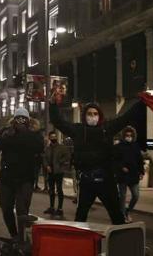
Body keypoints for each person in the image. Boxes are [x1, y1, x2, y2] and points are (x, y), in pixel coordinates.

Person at [50, 93, 145, 225]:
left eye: (95, 113)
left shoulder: (107, 128)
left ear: (100, 115)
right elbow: (58, 122)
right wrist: (53, 105)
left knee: (117, 216)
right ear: (85, 116)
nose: (92, 116)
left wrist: (142, 102)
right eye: (90, 113)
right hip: (87, 180)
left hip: (107, 180)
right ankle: (79, 243)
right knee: (81, 216)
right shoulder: (78, 130)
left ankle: (120, 243)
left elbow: (126, 118)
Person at [0, 107, 44, 241]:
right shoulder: (6, 132)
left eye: (23, 119)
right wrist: (4, 136)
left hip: (25, 178)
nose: (20, 121)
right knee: (6, 207)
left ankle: (22, 238)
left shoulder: (34, 133)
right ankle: (14, 235)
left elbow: (39, 147)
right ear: (13, 120)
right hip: (7, 177)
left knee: (22, 210)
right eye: (18, 118)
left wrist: (26, 134)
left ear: (28, 121)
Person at [113, 126, 144, 223]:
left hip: (133, 174)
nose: (128, 137)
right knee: (122, 196)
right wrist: (121, 167)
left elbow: (140, 160)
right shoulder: (119, 146)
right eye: (127, 135)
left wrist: (141, 172)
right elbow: (114, 160)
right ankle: (122, 215)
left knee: (136, 195)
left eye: (130, 135)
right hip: (122, 175)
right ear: (124, 136)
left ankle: (128, 211)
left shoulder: (136, 146)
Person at [43, 131, 71, 217]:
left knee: (59, 189)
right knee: (51, 190)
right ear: (49, 138)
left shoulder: (62, 147)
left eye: (55, 137)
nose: (53, 138)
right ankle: (52, 207)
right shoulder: (47, 148)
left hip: (59, 171)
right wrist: (47, 166)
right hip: (50, 172)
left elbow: (67, 156)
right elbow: (44, 158)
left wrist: (59, 163)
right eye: (52, 137)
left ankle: (60, 208)